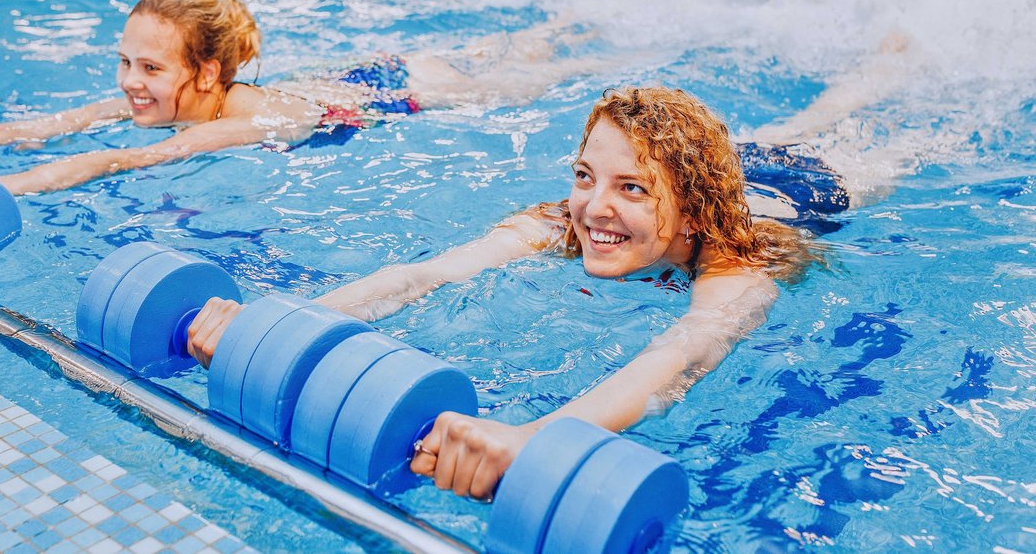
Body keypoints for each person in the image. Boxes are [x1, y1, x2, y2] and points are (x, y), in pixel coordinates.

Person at [184, 85, 832, 500]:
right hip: (721, 170)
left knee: (831, 126)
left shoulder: (739, 264)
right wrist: (277, 320)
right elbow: (424, 275)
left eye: (630, 187)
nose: (594, 207)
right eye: (586, 175)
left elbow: (679, 357)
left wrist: (532, 436)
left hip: (810, 190)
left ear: (690, 213)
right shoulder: (563, 222)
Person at [0, 0, 597, 196]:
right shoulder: (162, 100)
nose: (131, 83)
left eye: (151, 69)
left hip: (402, 96)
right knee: (510, 51)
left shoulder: (228, 122)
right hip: (363, 74)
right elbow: (32, 129)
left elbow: (116, 161)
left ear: (204, 75)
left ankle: (584, 25)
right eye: (125, 62)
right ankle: (564, 20)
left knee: (528, 79)